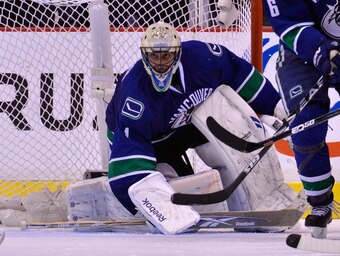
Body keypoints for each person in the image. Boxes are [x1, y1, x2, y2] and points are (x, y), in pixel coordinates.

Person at [105, 21, 293, 235]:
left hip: (185, 127)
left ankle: (257, 200)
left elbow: (240, 74)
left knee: (221, 106)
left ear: (178, 53)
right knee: (171, 190)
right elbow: (127, 154)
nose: (160, 63)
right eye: (154, 56)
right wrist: (152, 200)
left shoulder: (205, 59)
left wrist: (277, 109)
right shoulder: (135, 98)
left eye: (166, 56)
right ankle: (160, 187)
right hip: (150, 145)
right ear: (144, 55)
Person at [263, 0, 340, 238]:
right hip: (301, 56)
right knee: (306, 127)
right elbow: (291, 27)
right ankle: (321, 203)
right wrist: (325, 50)